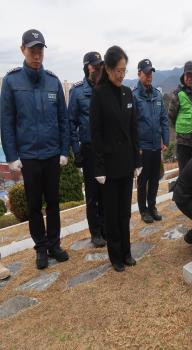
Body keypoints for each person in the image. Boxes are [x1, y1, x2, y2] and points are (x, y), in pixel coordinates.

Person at [0, 29, 70, 270]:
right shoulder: (11, 81)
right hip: (29, 157)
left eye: (40, 50)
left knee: (53, 203)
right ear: (23, 50)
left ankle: (54, 244)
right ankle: (40, 248)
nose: (37, 54)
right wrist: (11, 157)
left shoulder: (53, 81)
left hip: (51, 154)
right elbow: (6, 123)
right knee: (33, 206)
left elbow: (63, 119)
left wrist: (63, 150)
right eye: (32, 50)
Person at [90, 46, 139, 272]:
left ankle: (127, 252)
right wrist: (98, 167)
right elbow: (96, 133)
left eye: (124, 70)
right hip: (108, 167)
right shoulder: (99, 94)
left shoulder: (128, 93)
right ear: (108, 69)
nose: (121, 74)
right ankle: (115, 256)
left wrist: (137, 160)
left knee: (125, 212)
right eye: (118, 70)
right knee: (111, 214)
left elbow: (133, 129)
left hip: (126, 163)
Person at [69, 51, 106, 248]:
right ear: (87, 68)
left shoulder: (105, 88)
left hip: (106, 150)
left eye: (100, 65)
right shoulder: (76, 92)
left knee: (106, 192)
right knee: (92, 195)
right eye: (94, 66)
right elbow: (71, 123)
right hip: (89, 149)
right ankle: (96, 232)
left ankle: (106, 227)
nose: (98, 68)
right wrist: (77, 151)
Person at [133, 59, 169, 224]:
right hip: (143, 147)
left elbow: (164, 119)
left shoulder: (157, 94)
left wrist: (166, 140)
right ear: (139, 73)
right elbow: (131, 124)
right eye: (146, 73)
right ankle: (143, 210)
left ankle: (152, 206)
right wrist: (136, 147)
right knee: (143, 180)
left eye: (150, 73)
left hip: (156, 145)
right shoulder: (134, 96)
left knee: (155, 178)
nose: (149, 76)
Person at [168, 61, 192, 173]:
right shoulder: (178, 93)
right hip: (183, 140)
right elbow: (171, 115)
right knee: (184, 170)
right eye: (187, 76)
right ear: (184, 76)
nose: (190, 78)